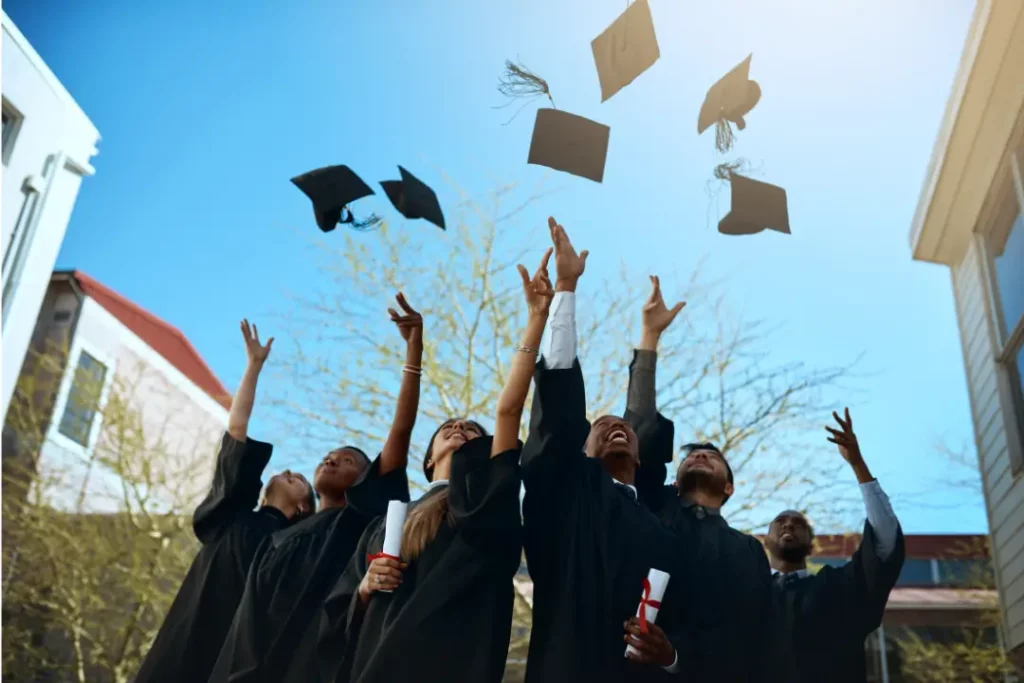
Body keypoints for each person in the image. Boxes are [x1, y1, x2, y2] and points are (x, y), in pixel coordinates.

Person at [319, 249, 556, 683]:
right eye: (449, 426)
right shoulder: (384, 525)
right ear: (428, 459)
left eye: (471, 430)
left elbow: (508, 412)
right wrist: (368, 585)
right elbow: (338, 615)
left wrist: (536, 318)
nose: (460, 428)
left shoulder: (484, 502)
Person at [206, 294, 421, 683]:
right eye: (328, 455)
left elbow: (400, 435)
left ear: (366, 479)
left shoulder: (358, 521)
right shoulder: (275, 539)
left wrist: (413, 354)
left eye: (348, 460)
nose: (332, 459)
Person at [521, 218, 683, 683]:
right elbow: (557, 413)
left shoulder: (663, 530)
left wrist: (671, 654)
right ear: (580, 449)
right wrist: (567, 289)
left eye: (623, 428)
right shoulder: (564, 492)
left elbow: (645, 424)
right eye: (602, 426)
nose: (617, 428)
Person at [134, 319, 314, 683]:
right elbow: (237, 430)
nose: (291, 470)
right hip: (181, 648)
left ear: (304, 509)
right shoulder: (230, 515)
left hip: (237, 661)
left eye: (301, 481)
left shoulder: (295, 547)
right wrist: (253, 367)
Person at [624, 281, 778, 682]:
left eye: (714, 457)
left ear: (729, 487)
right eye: (692, 454)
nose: (701, 454)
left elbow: (748, 634)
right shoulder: (649, 507)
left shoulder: (747, 552)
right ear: (673, 480)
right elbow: (640, 429)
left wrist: (675, 654)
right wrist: (649, 338)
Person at [765, 408, 904, 683]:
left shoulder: (837, 588)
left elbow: (884, 545)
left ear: (811, 545)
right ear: (765, 541)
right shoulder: (746, 594)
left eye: (798, 523)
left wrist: (858, 465)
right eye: (781, 520)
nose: (789, 525)